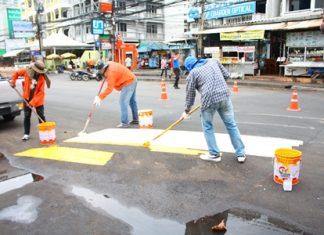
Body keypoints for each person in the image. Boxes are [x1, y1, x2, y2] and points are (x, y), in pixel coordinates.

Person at [181, 56, 246, 163]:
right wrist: (218, 86)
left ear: (189, 67)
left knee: (207, 126)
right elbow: (226, 75)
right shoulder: (213, 61)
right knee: (231, 124)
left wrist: (186, 111)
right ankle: (241, 153)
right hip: (225, 95)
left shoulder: (193, 73)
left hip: (209, 100)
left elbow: (190, 94)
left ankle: (214, 154)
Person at [9, 60, 50, 141]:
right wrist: (13, 81)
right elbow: (16, 73)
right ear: (34, 69)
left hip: (38, 100)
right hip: (27, 98)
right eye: (38, 71)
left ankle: (45, 133)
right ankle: (26, 134)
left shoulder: (42, 78)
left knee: (41, 115)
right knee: (27, 116)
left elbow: (41, 93)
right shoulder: (26, 71)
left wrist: (32, 103)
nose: (39, 73)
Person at [93, 62, 139, 128]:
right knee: (132, 102)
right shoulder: (107, 65)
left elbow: (109, 88)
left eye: (99, 71)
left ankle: (125, 123)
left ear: (103, 69)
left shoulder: (111, 73)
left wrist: (100, 97)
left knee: (123, 102)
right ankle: (135, 120)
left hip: (128, 82)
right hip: (132, 78)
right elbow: (106, 75)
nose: (99, 72)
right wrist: (102, 75)